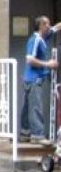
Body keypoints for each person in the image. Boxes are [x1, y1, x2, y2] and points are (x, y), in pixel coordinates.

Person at [21, 15, 61, 145]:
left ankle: (25, 133)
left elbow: (55, 28)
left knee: (27, 107)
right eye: (46, 24)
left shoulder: (43, 38)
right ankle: (38, 135)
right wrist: (48, 64)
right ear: (40, 26)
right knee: (36, 106)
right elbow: (30, 59)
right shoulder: (35, 40)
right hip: (34, 79)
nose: (49, 26)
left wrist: (56, 27)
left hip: (29, 78)